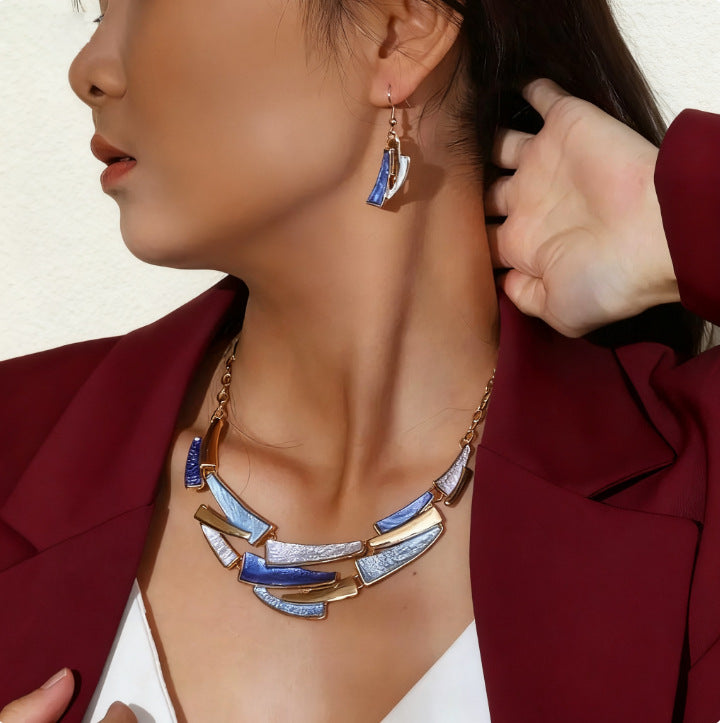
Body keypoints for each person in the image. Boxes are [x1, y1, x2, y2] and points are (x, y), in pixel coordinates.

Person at [1, 1, 719, 721]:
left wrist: (669, 219)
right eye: (98, 13)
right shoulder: (18, 446)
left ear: (399, 33)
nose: (87, 70)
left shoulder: (696, 493)